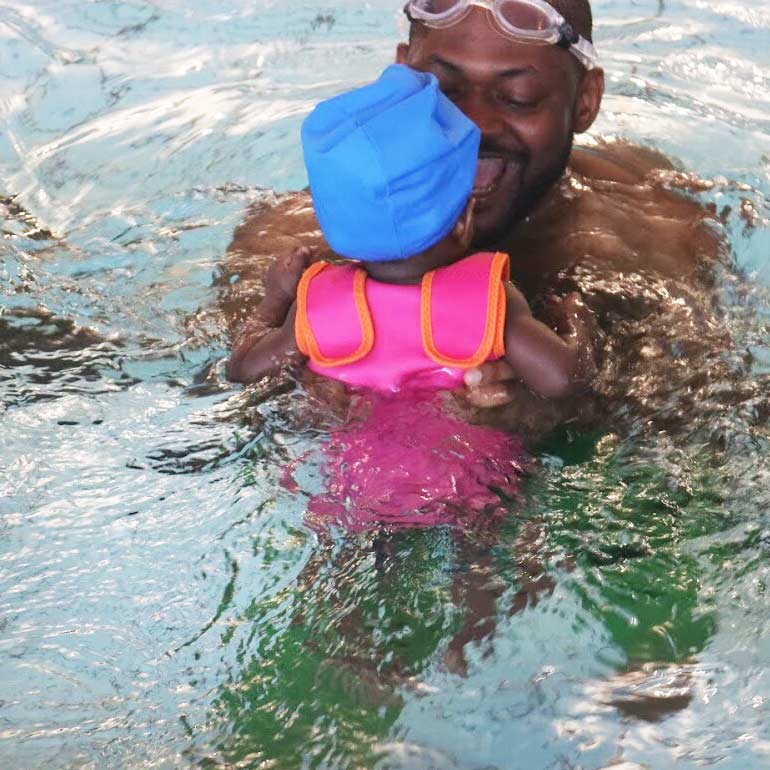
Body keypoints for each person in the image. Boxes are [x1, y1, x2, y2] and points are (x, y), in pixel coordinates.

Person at [219, 0, 721, 437]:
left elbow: (703, 415)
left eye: (516, 97)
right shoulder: (288, 236)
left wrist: (550, 415)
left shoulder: (655, 220)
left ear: (585, 101)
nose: (472, 127)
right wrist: (296, 403)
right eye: (443, 92)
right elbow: (220, 393)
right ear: (400, 78)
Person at [229, 63, 598, 528]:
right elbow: (563, 380)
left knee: (338, 568)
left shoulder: (314, 306)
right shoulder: (490, 300)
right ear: (464, 220)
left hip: (349, 478)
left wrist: (272, 300)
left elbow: (243, 369)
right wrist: (575, 319)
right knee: (478, 569)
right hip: (470, 476)